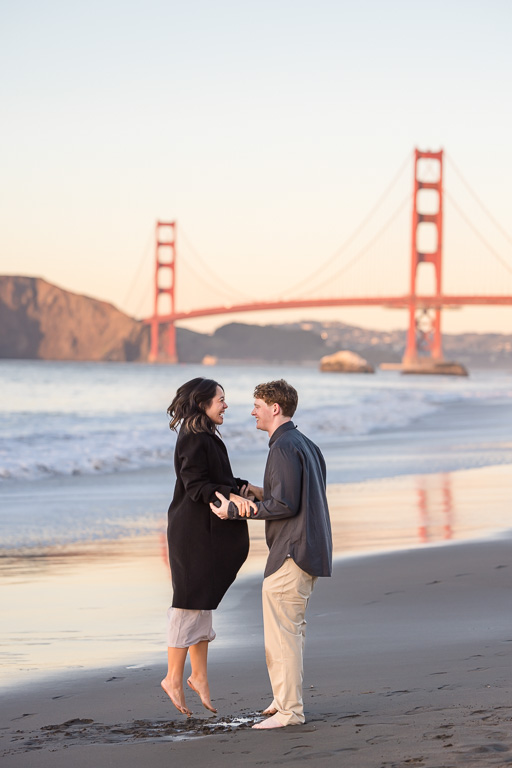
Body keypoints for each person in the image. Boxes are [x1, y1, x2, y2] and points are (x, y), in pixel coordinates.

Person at [211, 379, 332, 729]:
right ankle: (283, 700)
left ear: (274, 408)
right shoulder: (306, 444)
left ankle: (290, 712)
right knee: (290, 633)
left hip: (292, 552)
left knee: (282, 636)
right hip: (311, 549)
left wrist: (236, 511)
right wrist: (255, 492)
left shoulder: (281, 448)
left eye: (257, 405)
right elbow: (297, 495)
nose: (252, 412)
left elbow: (285, 505)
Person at [161, 377, 254, 716]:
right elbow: (196, 486)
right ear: (203, 403)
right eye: (220, 399)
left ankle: (198, 675)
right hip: (191, 532)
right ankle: (173, 677)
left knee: (202, 601)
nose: (226, 405)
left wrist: (246, 488)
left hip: (206, 531)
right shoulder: (192, 438)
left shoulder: (206, 437)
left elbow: (219, 479)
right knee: (187, 602)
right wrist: (229, 494)